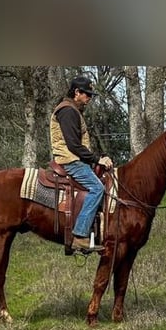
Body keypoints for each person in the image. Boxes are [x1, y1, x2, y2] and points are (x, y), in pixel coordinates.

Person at [49, 76, 113, 253]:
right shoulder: (68, 111)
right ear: (77, 92)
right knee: (97, 188)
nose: (90, 98)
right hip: (70, 160)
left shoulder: (72, 110)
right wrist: (96, 159)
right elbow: (73, 145)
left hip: (75, 158)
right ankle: (80, 235)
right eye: (87, 94)